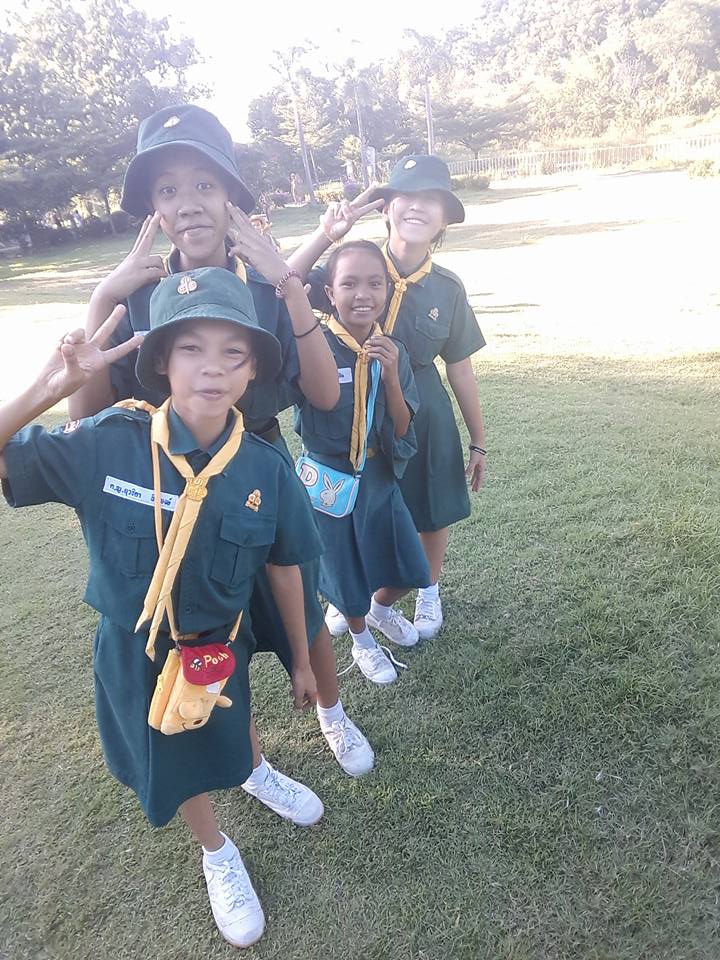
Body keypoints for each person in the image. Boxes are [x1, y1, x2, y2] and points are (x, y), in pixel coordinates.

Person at [0, 267, 325, 948]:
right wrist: (47, 390)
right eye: (191, 348)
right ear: (161, 362)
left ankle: (255, 771)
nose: (213, 368)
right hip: (137, 651)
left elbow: (286, 567)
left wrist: (301, 657)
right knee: (173, 759)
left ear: (252, 370)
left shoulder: (265, 467)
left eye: (233, 352)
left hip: (220, 646)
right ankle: (217, 852)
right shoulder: (106, 441)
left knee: (230, 720)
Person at [67, 105, 375, 812]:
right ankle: (251, 764)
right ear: (153, 207)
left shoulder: (266, 282)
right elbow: (87, 418)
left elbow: (325, 394)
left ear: (232, 195)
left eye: (205, 184)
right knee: (207, 638)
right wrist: (103, 297)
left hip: (261, 466)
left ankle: (332, 713)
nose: (188, 203)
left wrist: (288, 282)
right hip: (176, 489)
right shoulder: (138, 297)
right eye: (168, 189)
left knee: (302, 605)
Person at [294, 155, 487, 644]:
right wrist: (327, 235)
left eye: (432, 200)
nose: (417, 207)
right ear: (385, 207)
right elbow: (284, 283)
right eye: (407, 196)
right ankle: (356, 595)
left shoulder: (446, 287)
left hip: (420, 408)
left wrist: (478, 440)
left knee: (433, 503)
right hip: (353, 409)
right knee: (363, 505)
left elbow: (460, 366)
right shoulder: (353, 266)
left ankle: (427, 588)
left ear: (444, 220)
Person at [289, 241, 430, 683]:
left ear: (387, 290)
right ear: (330, 293)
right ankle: (361, 640)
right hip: (329, 479)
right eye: (349, 284)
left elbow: (402, 427)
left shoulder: (392, 350)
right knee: (343, 570)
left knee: (411, 565)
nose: (363, 294)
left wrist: (390, 377)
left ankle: (379, 611)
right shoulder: (316, 346)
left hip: (376, 474)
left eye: (374, 283)